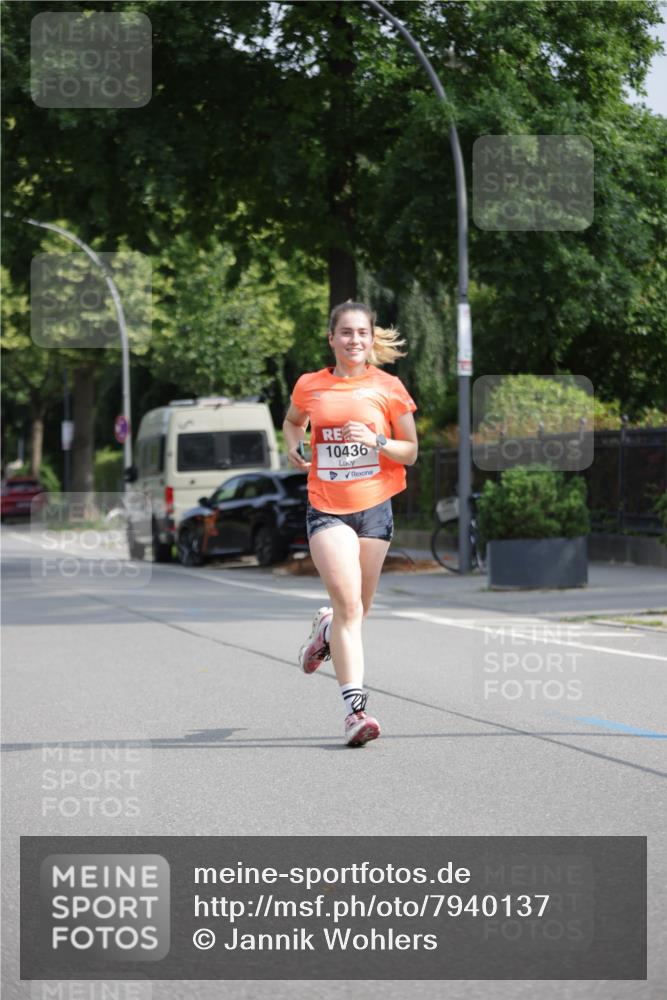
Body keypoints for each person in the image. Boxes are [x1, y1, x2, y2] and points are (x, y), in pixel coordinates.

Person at [283, 301, 418, 746]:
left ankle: (324, 631)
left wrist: (378, 440)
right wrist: (293, 445)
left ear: (371, 337)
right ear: (332, 338)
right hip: (327, 506)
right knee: (349, 607)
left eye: (361, 333)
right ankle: (355, 712)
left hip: (376, 507)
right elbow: (292, 421)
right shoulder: (311, 386)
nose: (354, 340)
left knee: (356, 613)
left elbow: (410, 452)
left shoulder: (389, 387)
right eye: (345, 332)